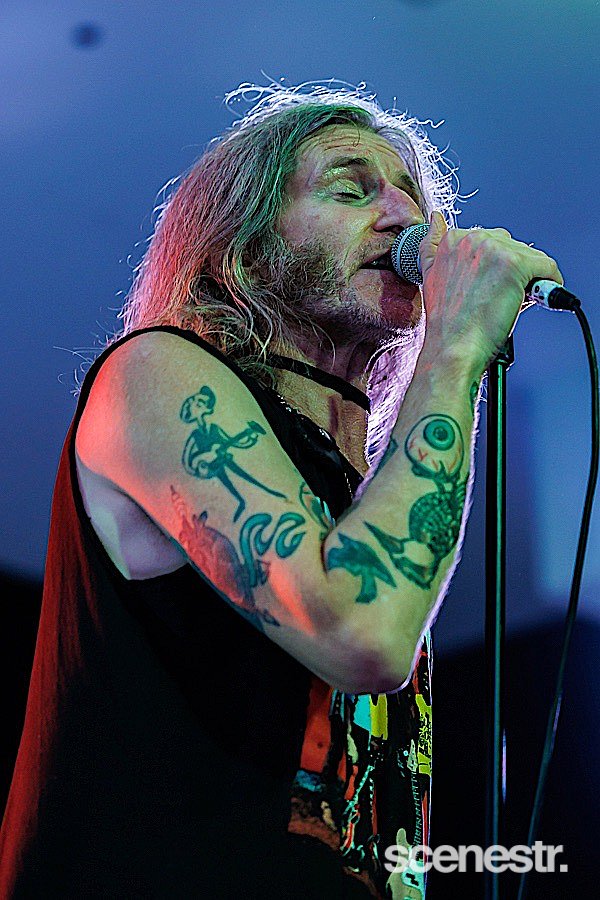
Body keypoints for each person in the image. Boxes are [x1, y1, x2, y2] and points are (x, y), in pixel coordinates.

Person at [0, 81, 563, 899]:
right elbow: (361, 632)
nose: (404, 217)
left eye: (409, 194)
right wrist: (455, 349)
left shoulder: (361, 495)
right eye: (349, 188)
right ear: (245, 247)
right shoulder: (156, 375)